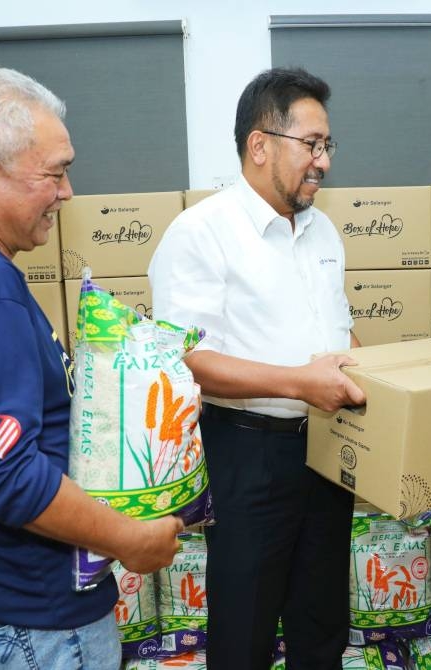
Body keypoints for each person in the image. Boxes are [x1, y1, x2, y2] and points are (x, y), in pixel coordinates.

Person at [0, 67, 183, 669]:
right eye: (53, 173)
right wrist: (128, 540)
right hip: (36, 623)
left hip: (6, 605)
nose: (68, 191)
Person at [149, 67, 366, 669]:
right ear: (260, 144)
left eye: (328, 146)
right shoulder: (201, 233)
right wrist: (301, 382)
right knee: (244, 626)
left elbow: (336, 328)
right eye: (312, 144)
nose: (323, 161)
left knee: (321, 620)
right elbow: (187, 360)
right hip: (248, 454)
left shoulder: (323, 229)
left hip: (326, 449)